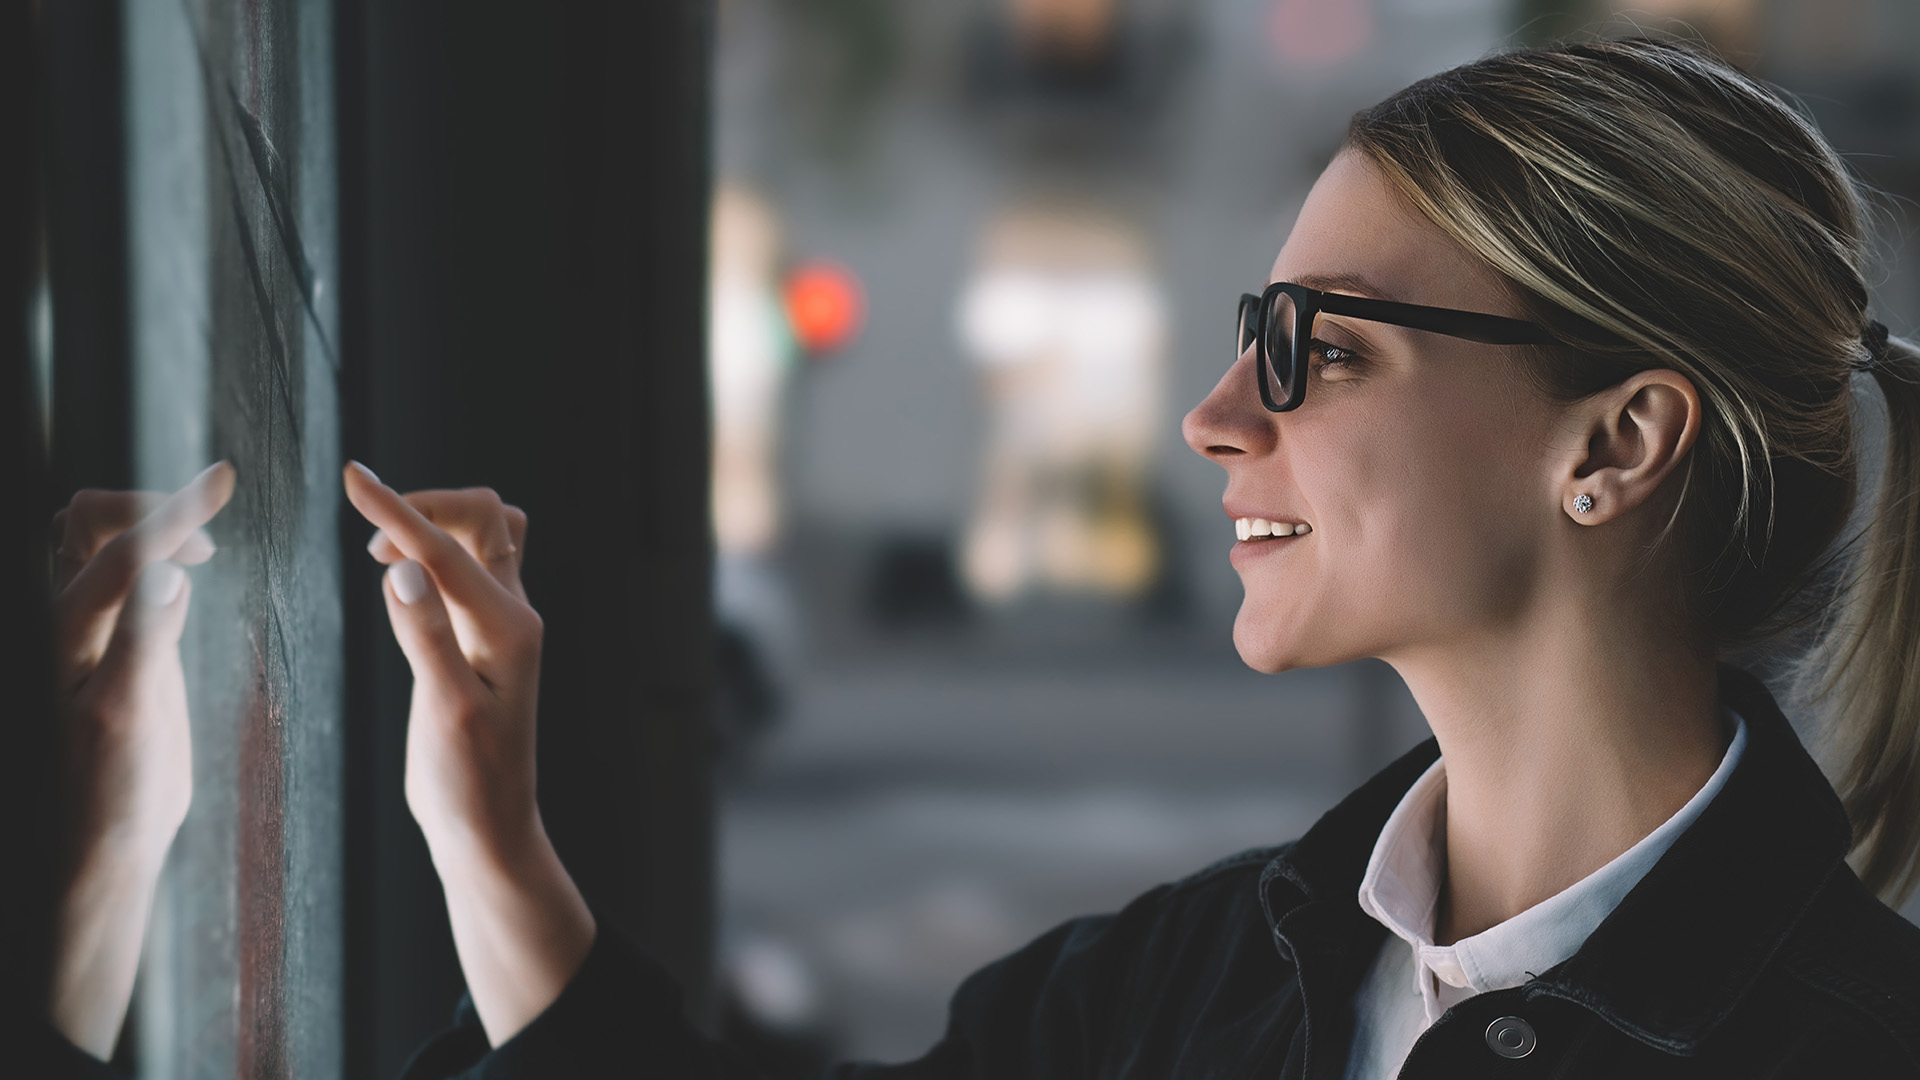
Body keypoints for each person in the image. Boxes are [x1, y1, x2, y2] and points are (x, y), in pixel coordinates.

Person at [34, 34, 1920, 1078]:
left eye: (1311, 348)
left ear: (1616, 443)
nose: (1210, 416)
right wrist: (483, 838)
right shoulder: (1188, 980)